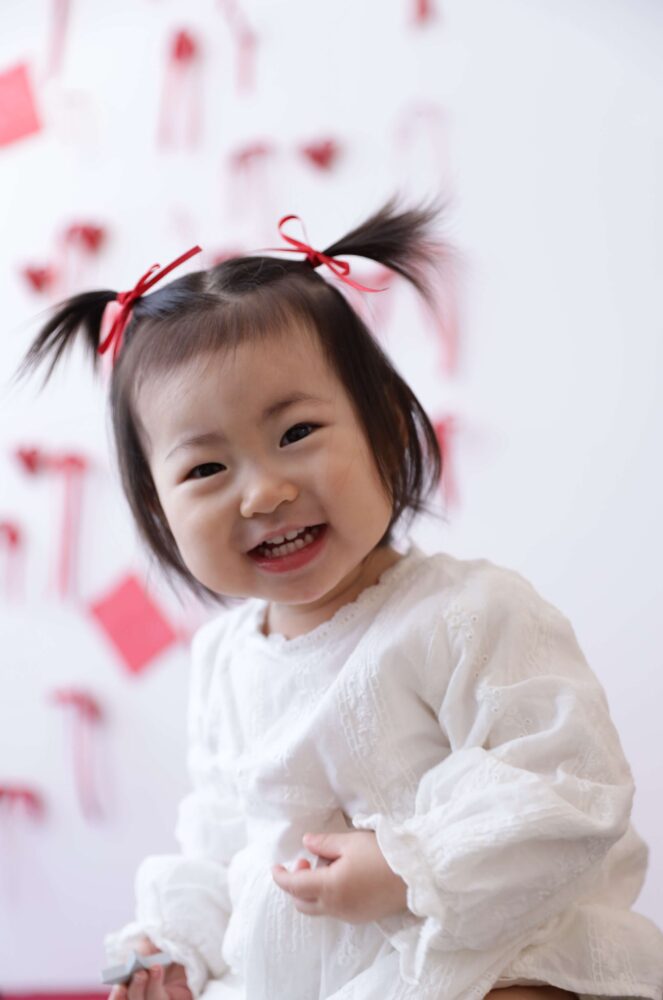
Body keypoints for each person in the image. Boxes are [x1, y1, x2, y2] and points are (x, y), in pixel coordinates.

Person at [21, 199, 663, 1000]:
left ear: (385, 429)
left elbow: (569, 784)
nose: (263, 493)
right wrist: (175, 943)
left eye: (295, 433)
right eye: (205, 469)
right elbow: (221, 841)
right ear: (158, 509)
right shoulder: (225, 663)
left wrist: (409, 865)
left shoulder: (468, 614)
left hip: (477, 948)